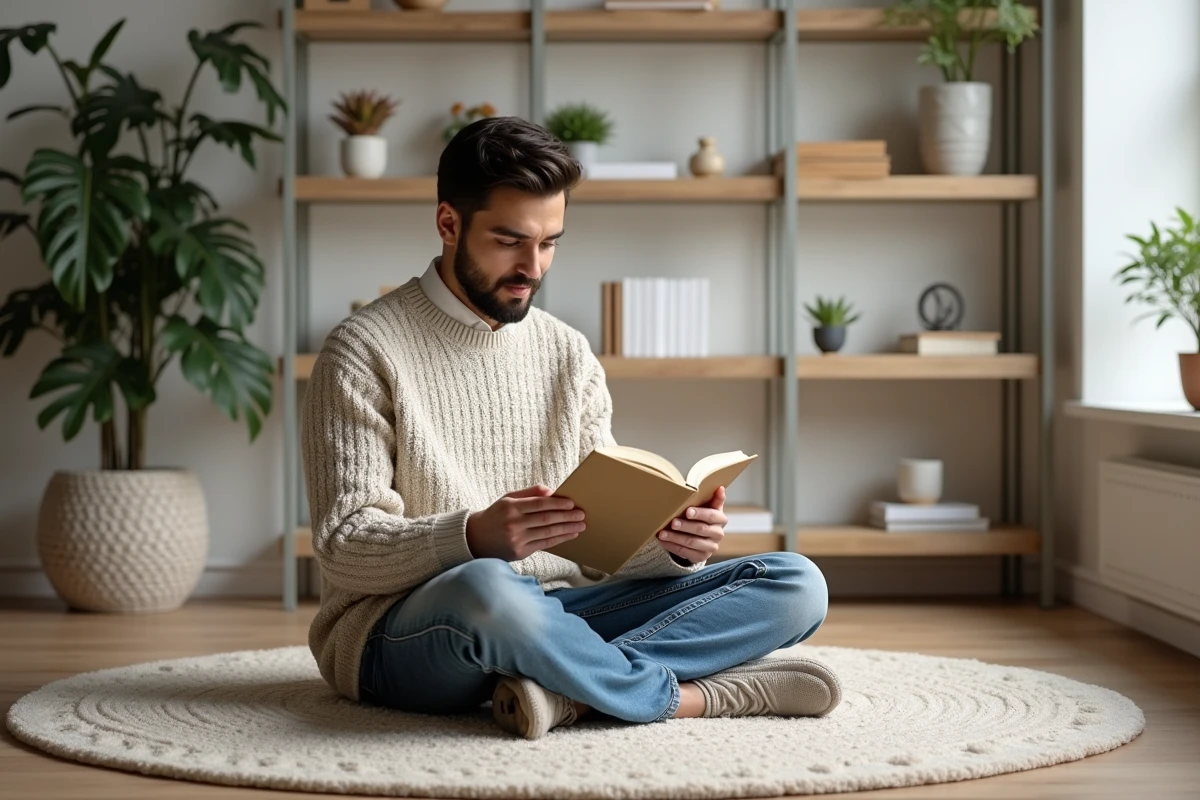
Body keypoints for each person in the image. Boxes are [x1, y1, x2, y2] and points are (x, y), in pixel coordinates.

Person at [300, 115, 841, 740]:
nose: (533, 266)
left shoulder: (567, 353)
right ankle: (696, 698)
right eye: (509, 241)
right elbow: (344, 544)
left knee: (796, 583)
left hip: (561, 612)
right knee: (488, 586)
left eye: (550, 241)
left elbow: (595, 543)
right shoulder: (363, 350)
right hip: (410, 631)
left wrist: (668, 545)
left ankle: (566, 694)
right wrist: (472, 536)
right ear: (449, 223)